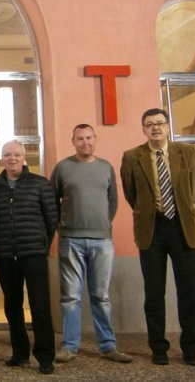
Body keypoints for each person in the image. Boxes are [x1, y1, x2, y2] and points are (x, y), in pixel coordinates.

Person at [120, 108, 195, 367]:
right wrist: (149, 212)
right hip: (152, 229)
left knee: (189, 291)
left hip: (182, 228)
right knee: (154, 293)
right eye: (149, 124)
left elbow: (194, 187)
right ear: (143, 129)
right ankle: (158, 348)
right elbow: (130, 193)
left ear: (168, 126)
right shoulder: (132, 157)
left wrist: (181, 208)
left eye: (160, 123)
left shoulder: (186, 152)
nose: (155, 128)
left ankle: (191, 348)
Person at [51, 125, 132, 364]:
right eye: (79, 139)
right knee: (70, 297)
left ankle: (108, 346)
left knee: (101, 296)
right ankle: (69, 346)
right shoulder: (63, 168)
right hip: (71, 240)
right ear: (73, 141)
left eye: (88, 138)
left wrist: (103, 225)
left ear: (95, 139)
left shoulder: (106, 167)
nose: (85, 142)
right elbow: (52, 200)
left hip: (102, 241)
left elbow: (113, 201)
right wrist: (61, 226)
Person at [0, 139, 58, 375]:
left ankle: (45, 357)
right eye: (7, 155)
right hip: (6, 256)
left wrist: (41, 244)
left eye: (16, 154)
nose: (12, 158)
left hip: (33, 254)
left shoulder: (41, 184)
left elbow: (52, 219)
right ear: (1, 158)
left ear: (24, 156)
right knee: (12, 306)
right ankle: (20, 352)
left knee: (40, 306)